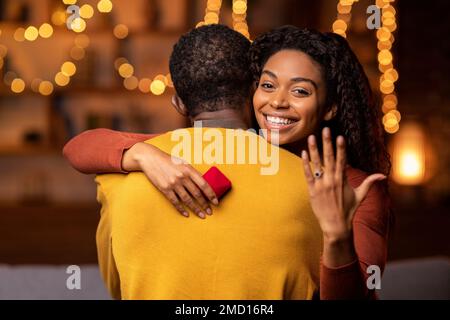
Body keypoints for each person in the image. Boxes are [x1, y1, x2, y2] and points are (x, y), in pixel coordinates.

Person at [63, 25, 392, 299]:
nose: (277, 101)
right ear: (251, 91)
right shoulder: (171, 157)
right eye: (267, 85)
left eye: (301, 91)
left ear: (331, 107)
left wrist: (337, 237)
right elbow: (80, 147)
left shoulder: (356, 189)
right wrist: (140, 154)